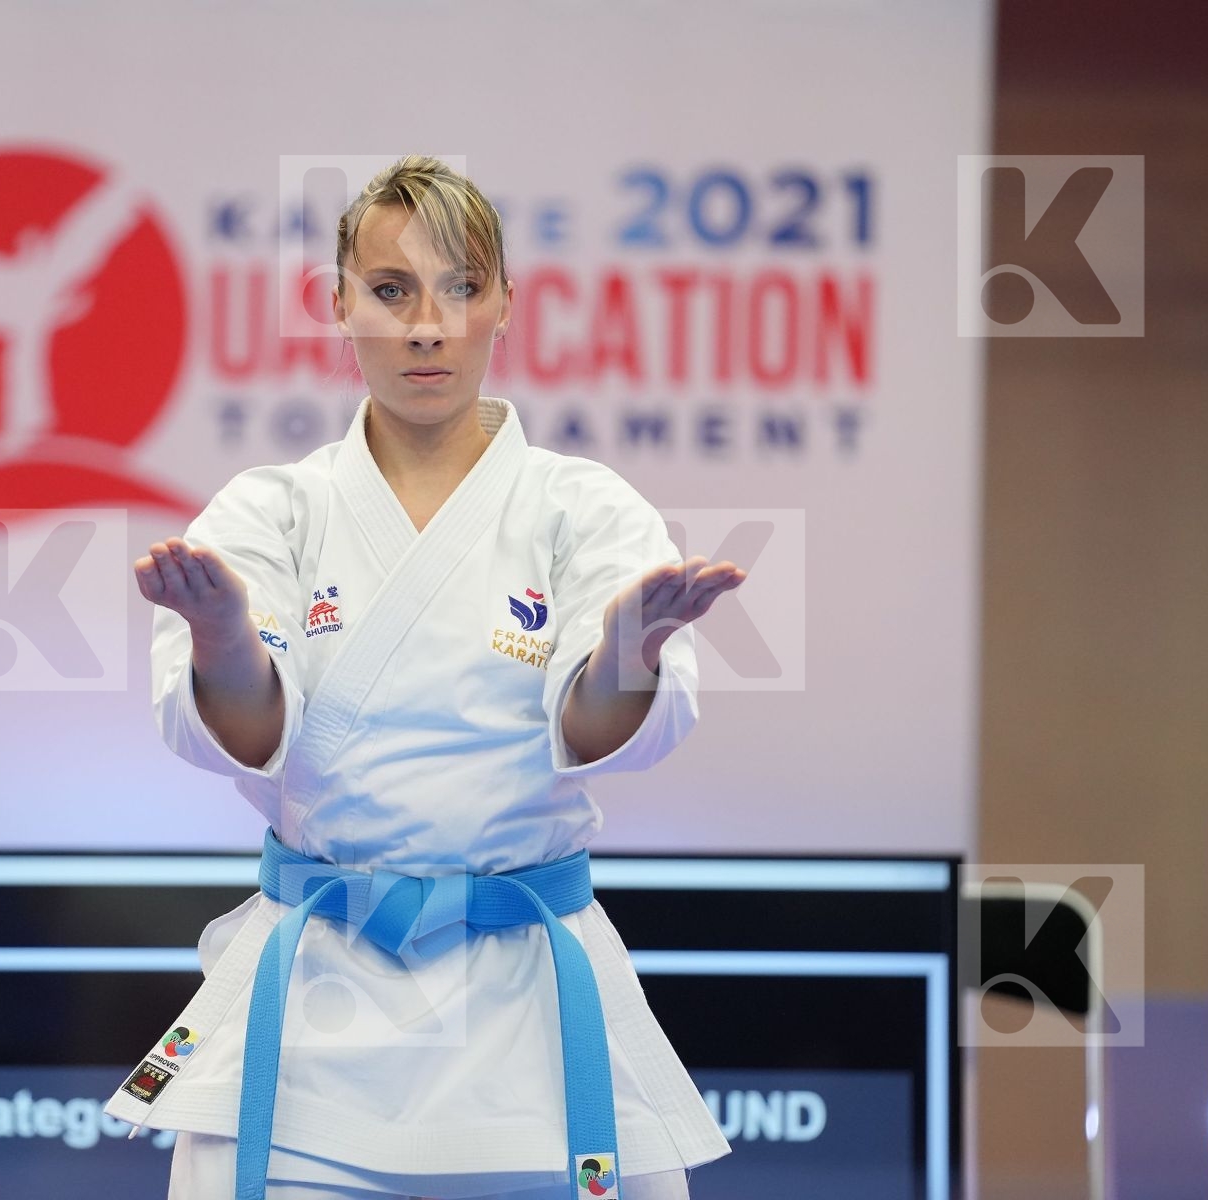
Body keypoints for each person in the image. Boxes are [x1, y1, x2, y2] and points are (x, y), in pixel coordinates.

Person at [105, 156, 746, 1200]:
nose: (426, 326)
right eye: (392, 291)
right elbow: (239, 725)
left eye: (459, 288)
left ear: (505, 304)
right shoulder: (272, 510)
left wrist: (630, 652)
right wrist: (224, 638)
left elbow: (596, 730)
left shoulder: (581, 509)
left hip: (531, 997)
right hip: (315, 999)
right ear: (338, 303)